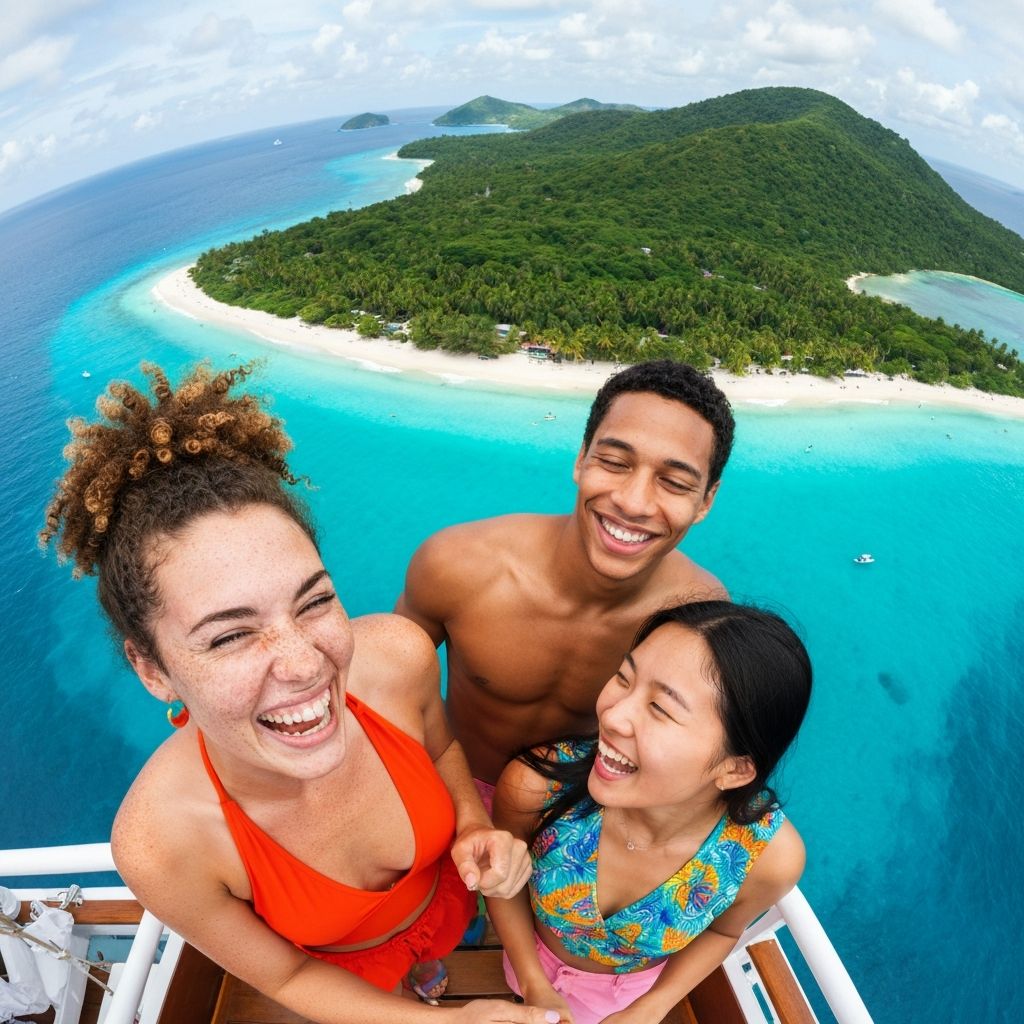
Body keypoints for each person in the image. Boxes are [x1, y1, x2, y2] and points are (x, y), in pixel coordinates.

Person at [40, 362, 560, 1024]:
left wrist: (471, 821)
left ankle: (426, 971)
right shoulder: (160, 845)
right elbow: (287, 972)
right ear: (152, 670)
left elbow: (442, 746)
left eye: (313, 602)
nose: (303, 663)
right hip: (346, 973)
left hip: (446, 907)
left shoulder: (398, 656)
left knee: (437, 957)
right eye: (229, 637)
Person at [395, 361, 735, 804]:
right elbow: (392, 689)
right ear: (581, 459)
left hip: (582, 816)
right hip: (449, 792)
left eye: (673, 482)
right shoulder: (458, 565)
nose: (633, 503)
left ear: (706, 500)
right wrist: (464, 811)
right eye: (613, 462)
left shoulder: (698, 612)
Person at [488, 601, 812, 1024]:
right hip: (527, 961)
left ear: (733, 769)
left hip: (627, 999)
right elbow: (507, 888)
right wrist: (533, 982)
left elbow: (723, 930)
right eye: (624, 678)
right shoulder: (536, 786)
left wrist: (650, 1008)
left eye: (660, 709)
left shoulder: (766, 859)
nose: (612, 714)